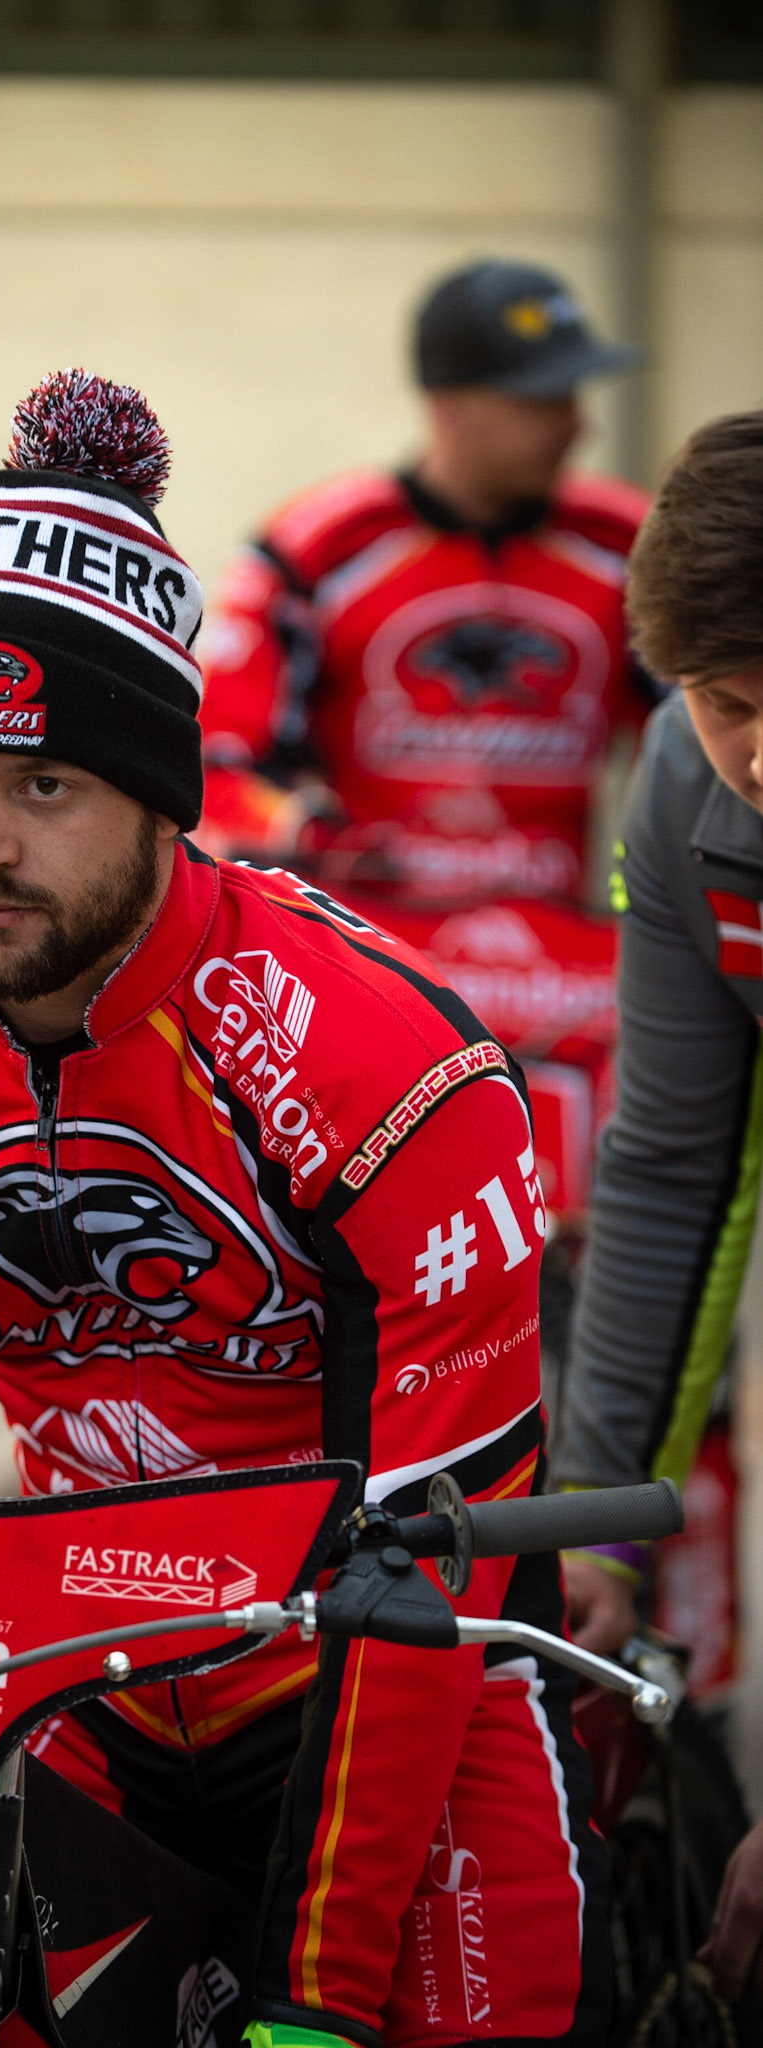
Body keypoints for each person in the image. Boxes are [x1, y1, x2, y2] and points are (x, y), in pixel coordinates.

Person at [0, 369, 608, 2046]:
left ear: (158, 789)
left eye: (43, 786)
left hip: (392, 1677)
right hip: (76, 1673)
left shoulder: (382, 1066)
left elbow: (422, 1584)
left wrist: (315, 1996)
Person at [549, 408, 763, 2007]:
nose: (758, 757)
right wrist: (592, 1510)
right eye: (727, 703)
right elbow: (670, 1162)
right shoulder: (685, 786)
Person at [196, 257, 653, 907]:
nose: (577, 426)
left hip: (565, 970)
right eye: (541, 401)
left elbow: (711, 747)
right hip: (371, 956)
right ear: (448, 405)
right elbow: (221, 768)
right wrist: (316, 838)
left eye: (572, 397)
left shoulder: (630, 547)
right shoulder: (317, 551)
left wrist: (636, 909)